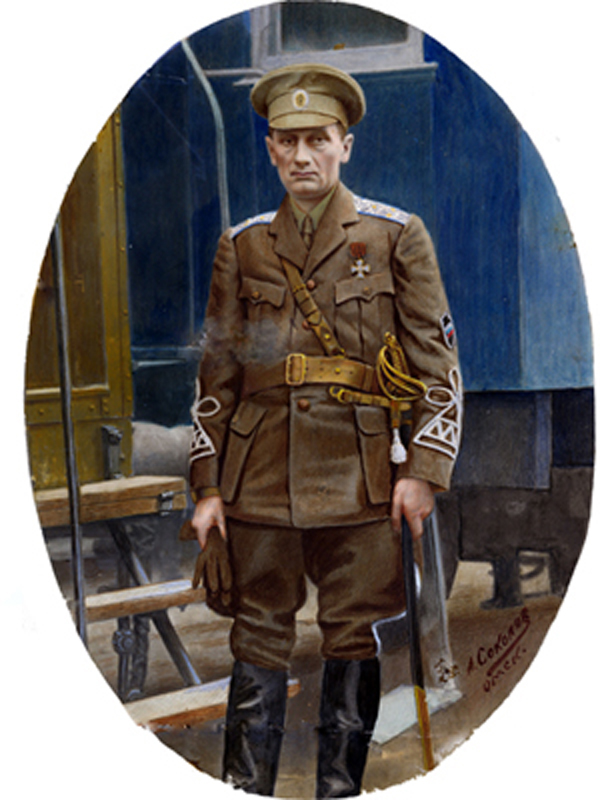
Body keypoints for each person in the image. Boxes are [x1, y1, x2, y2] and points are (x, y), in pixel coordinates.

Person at [188, 63, 462, 797]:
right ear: (270, 149)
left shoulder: (395, 234)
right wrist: (207, 487)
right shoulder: (243, 246)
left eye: (318, 139)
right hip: (260, 482)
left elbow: (439, 368)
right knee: (257, 638)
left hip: (360, 476)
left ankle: (339, 790)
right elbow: (216, 379)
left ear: (346, 145)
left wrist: (423, 472)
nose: (302, 155)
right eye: (288, 141)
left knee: (349, 634)